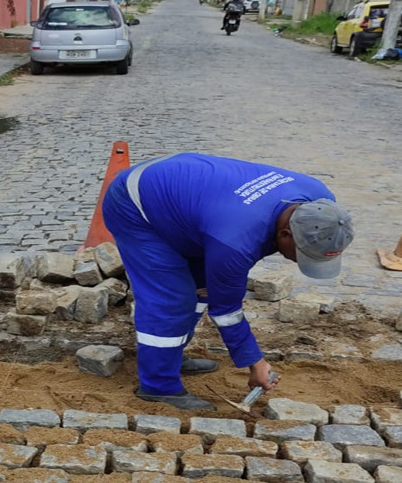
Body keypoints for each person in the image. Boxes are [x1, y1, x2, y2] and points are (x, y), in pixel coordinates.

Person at [102, 153, 354, 410]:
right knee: (171, 299)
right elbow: (226, 311)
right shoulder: (235, 241)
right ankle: (158, 385)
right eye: (301, 254)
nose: (297, 261)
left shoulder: (323, 206)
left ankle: (168, 358)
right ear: (285, 233)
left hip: (190, 199)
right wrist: (256, 362)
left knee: (201, 288)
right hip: (135, 203)